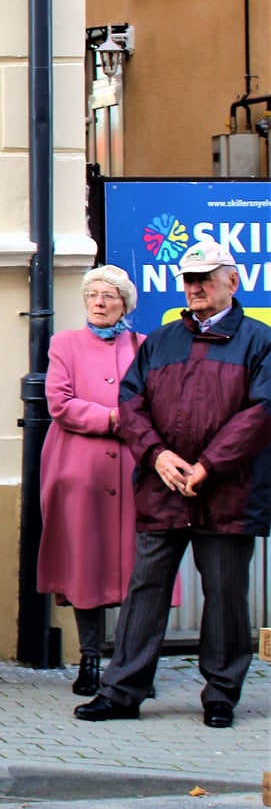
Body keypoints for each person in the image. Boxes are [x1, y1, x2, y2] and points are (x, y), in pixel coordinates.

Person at [76, 240, 271, 730]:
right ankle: (121, 692)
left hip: (228, 491)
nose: (195, 287)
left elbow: (261, 413)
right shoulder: (162, 341)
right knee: (146, 589)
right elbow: (131, 404)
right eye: (189, 279)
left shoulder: (259, 341)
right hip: (162, 487)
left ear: (233, 281)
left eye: (205, 278)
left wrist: (208, 465)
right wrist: (157, 455)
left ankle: (221, 695)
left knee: (225, 595)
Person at [37, 266, 150, 696]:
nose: (100, 302)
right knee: (85, 562)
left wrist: (133, 422)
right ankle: (89, 660)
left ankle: (132, 666)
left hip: (134, 469)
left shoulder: (143, 345)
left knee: (138, 567)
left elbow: (155, 400)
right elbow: (59, 402)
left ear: (125, 304)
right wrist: (113, 418)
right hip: (79, 468)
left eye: (109, 296)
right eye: (93, 295)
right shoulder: (64, 343)